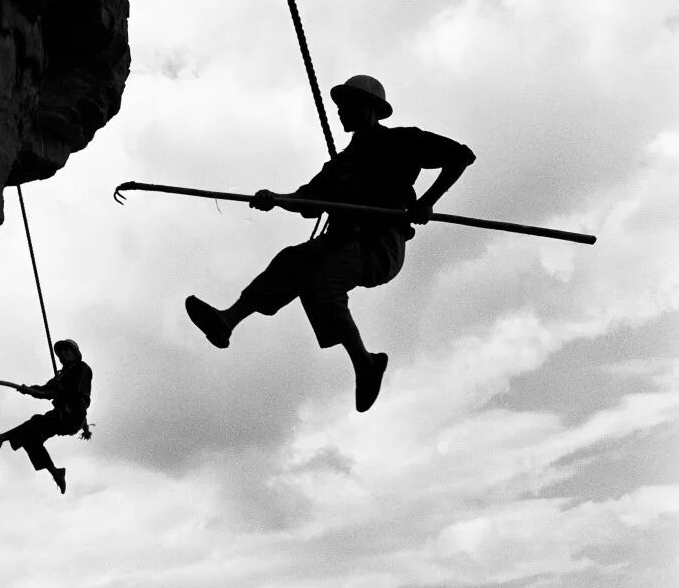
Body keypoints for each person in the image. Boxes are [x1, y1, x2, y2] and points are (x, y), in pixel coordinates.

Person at [184, 75, 475, 412]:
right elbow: (308, 201)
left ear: (370, 108)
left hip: (378, 246)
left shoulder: (402, 141)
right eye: (339, 107)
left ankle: (365, 363)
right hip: (340, 243)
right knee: (292, 261)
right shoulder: (340, 166)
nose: (340, 112)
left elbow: (460, 156)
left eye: (348, 106)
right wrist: (276, 199)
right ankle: (228, 321)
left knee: (322, 283)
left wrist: (426, 202)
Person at [0, 339, 92, 494]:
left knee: (37, 422)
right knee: (31, 440)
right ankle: (56, 472)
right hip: (60, 414)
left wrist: (57, 392)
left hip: (71, 415)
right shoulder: (61, 376)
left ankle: (0, 438)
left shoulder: (82, 369)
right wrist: (28, 389)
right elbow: (44, 390)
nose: (63, 354)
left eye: (66, 350)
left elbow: (76, 393)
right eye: (60, 353)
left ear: (75, 353)